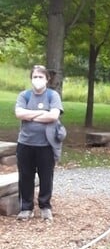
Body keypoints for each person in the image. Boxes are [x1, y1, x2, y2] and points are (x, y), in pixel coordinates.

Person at [14, 64, 64, 221]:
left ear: (47, 79)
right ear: (31, 79)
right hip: (25, 144)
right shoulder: (24, 95)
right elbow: (19, 113)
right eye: (35, 77)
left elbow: (54, 116)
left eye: (40, 77)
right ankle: (26, 208)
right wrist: (42, 113)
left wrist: (30, 115)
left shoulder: (52, 96)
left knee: (46, 177)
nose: (37, 80)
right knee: (25, 176)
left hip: (46, 145)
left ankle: (45, 206)